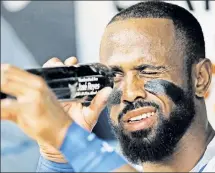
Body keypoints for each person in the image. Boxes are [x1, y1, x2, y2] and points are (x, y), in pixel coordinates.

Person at [1, 1, 215, 172]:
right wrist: (57, 158)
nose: (130, 93)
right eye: (115, 76)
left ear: (201, 77)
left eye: (148, 71)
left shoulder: (92, 155)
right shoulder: (104, 160)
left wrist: (66, 136)